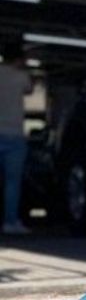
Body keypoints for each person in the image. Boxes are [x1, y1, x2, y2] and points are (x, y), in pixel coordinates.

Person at [0, 40, 33, 236]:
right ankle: (10, 221)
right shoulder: (22, 76)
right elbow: (30, 89)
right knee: (13, 182)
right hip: (14, 134)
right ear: (20, 59)